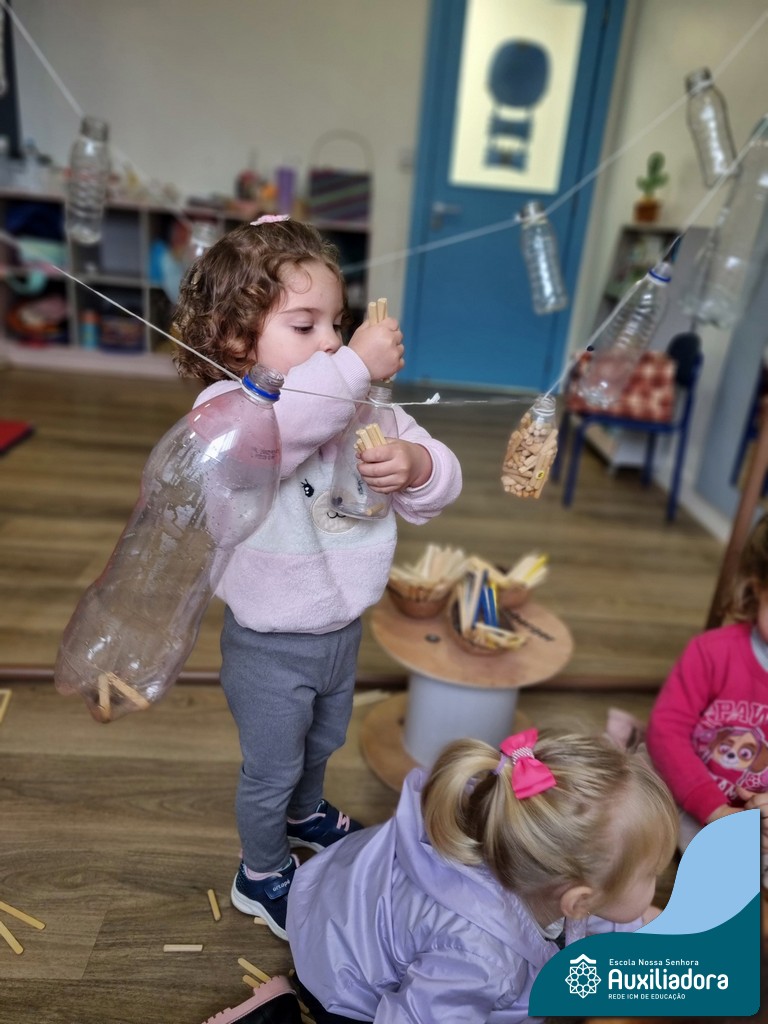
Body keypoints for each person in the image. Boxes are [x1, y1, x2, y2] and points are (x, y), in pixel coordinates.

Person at [173, 216, 462, 941]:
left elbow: (438, 474)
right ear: (235, 339)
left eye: (336, 322)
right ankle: (261, 871)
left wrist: (417, 467)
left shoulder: (358, 402)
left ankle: (305, 815)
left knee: (322, 742)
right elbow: (273, 440)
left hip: (341, 629)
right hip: (269, 644)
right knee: (271, 768)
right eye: (305, 325)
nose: (332, 341)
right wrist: (355, 366)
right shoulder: (223, 412)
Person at [283, 728, 677, 1023]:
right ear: (579, 900)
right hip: (342, 972)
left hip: (347, 887)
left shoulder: (515, 828)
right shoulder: (480, 961)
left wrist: (646, 926)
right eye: (650, 874)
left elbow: (599, 906)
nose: (656, 881)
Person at [646, 512, 768, 864]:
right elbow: (666, 731)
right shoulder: (710, 652)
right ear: (757, 587)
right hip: (697, 797)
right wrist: (713, 808)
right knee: (639, 800)